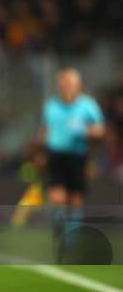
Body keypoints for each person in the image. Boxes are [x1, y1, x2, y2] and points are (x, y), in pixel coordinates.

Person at [41, 68, 105, 207]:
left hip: (77, 156)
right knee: (57, 198)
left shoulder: (88, 106)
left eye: (69, 84)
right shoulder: (51, 106)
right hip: (56, 156)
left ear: (78, 86)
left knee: (75, 199)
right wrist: (41, 152)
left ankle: (73, 227)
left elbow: (101, 131)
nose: (65, 88)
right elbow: (45, 130)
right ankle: (60, 226)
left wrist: (84, 129)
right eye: (62, 85)